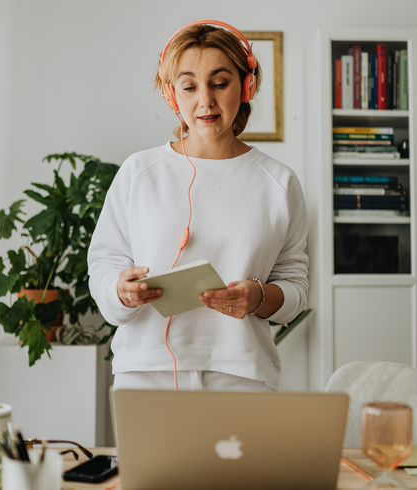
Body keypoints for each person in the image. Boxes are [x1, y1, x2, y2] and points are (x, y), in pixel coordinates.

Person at [87, 21, 308, 393]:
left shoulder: (279, 182)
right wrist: (121, 291)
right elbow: (105, 265)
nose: (205, 100)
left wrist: (257, 296)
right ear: (173, 96)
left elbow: (295, 289)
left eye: (220, 83)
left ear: (246, 86)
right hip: (146, 370)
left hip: (241, 373)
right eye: (189, 87)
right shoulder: (139, 172)